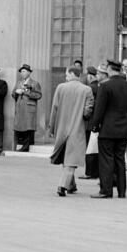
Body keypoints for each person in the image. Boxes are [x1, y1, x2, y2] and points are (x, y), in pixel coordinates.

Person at [89, 59, 127, 199]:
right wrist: (126, 123)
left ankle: (106, 190)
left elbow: (99, 109)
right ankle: (122, 191)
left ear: (110, 69)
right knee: (119, 160)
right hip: (123, 129)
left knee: (106, 161)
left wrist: (95, 126)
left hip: (108, 129)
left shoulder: (105, 86)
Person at [47, 66, 94, 196]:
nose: (65, 76)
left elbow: (54, 109)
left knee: (65, 157)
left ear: (73, 74)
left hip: (61, 127)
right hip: (77, 128)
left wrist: (52, 128)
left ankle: (69, 184)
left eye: (67, 74)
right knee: (72, 159)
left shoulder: (61, 88)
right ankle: (64, 185)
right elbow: (87, 111)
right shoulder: (87, 90)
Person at [12, 64, 42, 151]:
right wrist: (17, 92)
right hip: (20, 107)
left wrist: (26, 93)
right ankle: (21, 144)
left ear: (29, 72)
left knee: (28, 126)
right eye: (21, 71)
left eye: (24, 71)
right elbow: (13, 94)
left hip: (29, 107)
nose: (22, 73)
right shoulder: (18, 82)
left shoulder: (35, 83)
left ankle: (26, 146)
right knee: (20, 126)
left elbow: (39, 95)